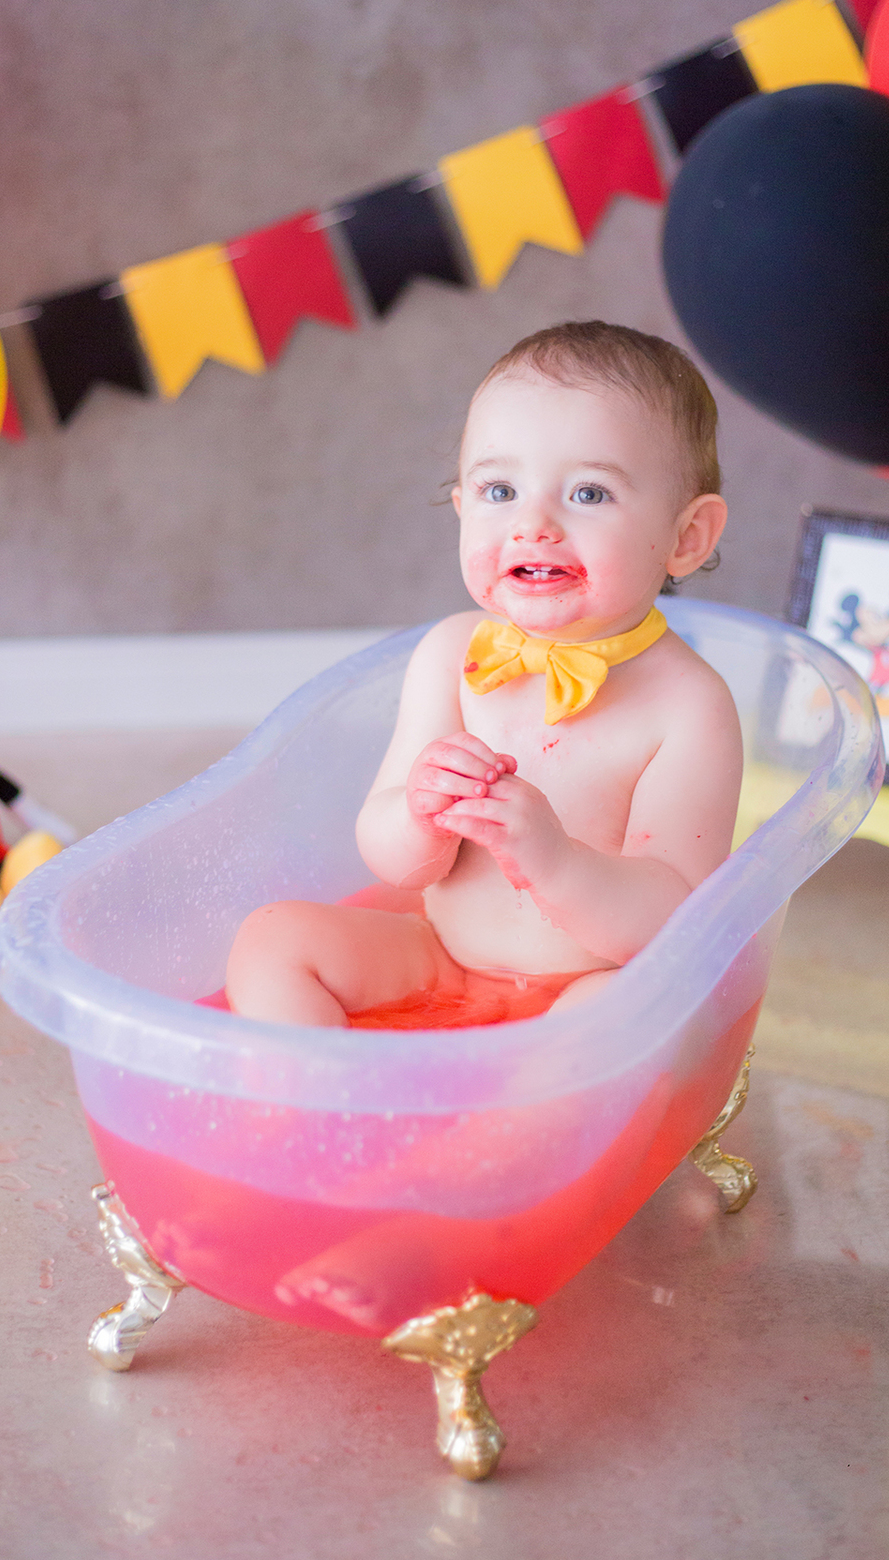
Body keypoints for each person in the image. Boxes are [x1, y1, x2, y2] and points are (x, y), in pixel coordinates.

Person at [226, 320, 743, 1029]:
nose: (533, 524)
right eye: (500, 491)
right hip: (442, 955)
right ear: (463, 509)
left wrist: (556, 860)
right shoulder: (453, 655)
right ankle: (321, 1107)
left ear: (686, 537)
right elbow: (394, 864)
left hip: (588, 984)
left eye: (589, 494)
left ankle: (501, 1128)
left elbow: (673, 923)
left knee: (619, 1022)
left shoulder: (688, 706)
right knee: (273, 938)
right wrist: (419, 814)